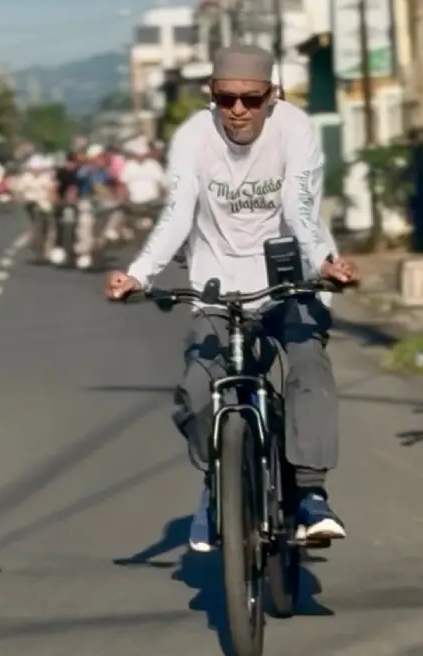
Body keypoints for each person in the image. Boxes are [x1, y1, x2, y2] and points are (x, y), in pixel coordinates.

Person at [105, 45, 359, 552]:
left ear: (272, 96)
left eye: (251, 99)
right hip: (218, 286)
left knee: (308, 364)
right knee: (195, 393)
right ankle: (216, 484)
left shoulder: (295, 129)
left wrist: (326, 262)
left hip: (290, 277)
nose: (238, 111)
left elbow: (299, 206)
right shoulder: (194, 137)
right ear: (212, 96)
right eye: (226, 99)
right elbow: (178, 213)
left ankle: (310, 494)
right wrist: (138, 273)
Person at [118, 137, 166, 245]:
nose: (140, 157)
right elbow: (123, 184)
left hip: (151, 201)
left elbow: (161, 183)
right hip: (134, 201)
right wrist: (122, 198)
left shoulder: (153, 165)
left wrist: (163, 197)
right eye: (138, 155)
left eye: (142, 155)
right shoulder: (129, 166)